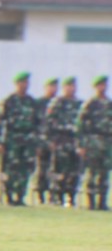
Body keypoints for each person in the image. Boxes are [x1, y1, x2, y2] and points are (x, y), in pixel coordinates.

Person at [0, 72, 39, 206]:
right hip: (12, 139)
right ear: (16, 84)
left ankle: (20, 196)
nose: (24, 85)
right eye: (21, 82)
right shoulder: (8, 101)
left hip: (28, 139)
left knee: (25, 169)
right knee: (11, 168)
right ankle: (9, 195)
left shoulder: (32, 102)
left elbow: (38, 123)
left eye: (26, 82)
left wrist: (37, 142)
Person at [45, 77, 83, 207]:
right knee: (58, 169)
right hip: (60, 140)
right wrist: (50, 140)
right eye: (68, 86)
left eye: (73, 86)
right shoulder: (57, 103)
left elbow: (83, 123)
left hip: (74, 140)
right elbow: (48, 122)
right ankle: (56, 196)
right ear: (64, 88)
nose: (71, 88)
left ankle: (70, 196)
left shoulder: (80, 104)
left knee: (74, 170)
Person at [76, 75, 112, 211]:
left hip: (107, 141)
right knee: (92, 171)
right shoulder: (90, 104)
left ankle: (102, 201)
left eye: (105, 84)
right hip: (92, 141)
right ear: (95, 87)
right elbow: (80, 126)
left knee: (104, 172)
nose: (103, 87)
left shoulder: (109, 103)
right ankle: (90, 201)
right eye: (100, 85)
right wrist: (81, 145)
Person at [34, 77, 59, 204]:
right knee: (42, 169)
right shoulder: (39, 103)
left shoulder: (58, 102)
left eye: (55, 86)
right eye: (51, 86)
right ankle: (40, 194)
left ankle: (53, 194)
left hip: (55, 141)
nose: (53, 89)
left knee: (55, 169)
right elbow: (34, 123)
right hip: (42, 141)